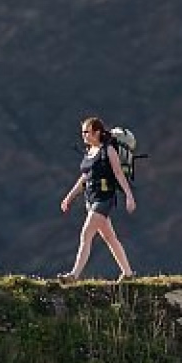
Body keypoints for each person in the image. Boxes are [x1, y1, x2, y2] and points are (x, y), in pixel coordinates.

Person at [57, 117, 136, 281]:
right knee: (110, 238)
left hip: (105, 198)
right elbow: (84, 178)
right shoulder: (89, 152)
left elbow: (118, 174)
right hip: (91, 199)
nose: (84, 135)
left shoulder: (108, 150)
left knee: (86, 235)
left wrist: (129, 196)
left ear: (97, 132)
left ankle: (74, 275)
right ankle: (128, 274)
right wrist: (69, 197)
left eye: (87, 132)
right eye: (83, 132)